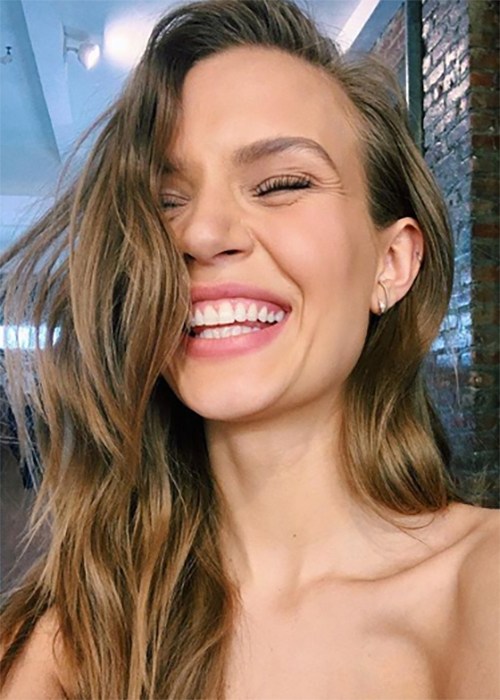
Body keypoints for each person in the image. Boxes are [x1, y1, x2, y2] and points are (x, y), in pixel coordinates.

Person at [1, 0, 498, 697]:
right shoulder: (74, 637)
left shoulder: (483, 586)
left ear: (391, 263)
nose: (202, 234)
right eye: (165, 201)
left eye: (281, 184)